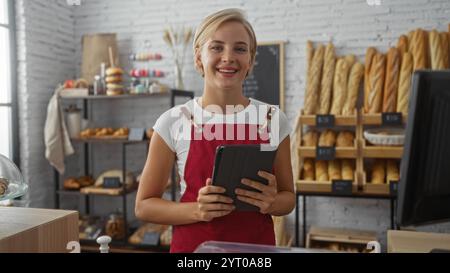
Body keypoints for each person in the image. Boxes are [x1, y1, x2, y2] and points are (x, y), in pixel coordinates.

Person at [135, 8, 295, 253]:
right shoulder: (173, 121)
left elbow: (288, 199)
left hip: (256, 252)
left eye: (240, 49)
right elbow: (144, 206)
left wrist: (272, 202)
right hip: (194, 251)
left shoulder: (272, 118)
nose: (228, 57)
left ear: (251, 60)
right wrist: (197, 210)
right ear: (199, 57)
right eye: (217, 47)